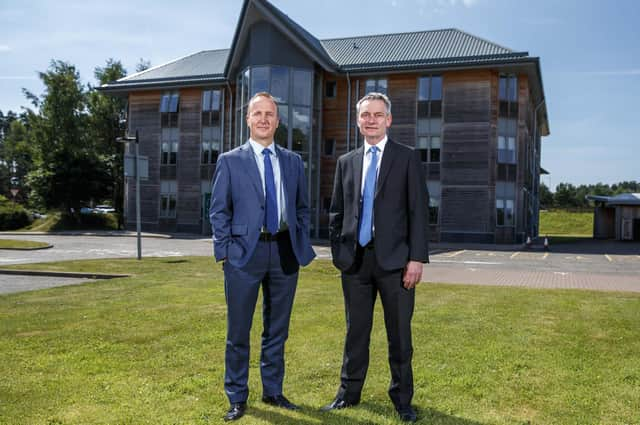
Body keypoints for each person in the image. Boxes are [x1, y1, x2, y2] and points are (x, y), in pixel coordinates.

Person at [210, 92, 316, 421]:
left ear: (278, 121)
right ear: (248, 119)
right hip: (244, 254)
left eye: (270, 114)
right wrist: (227, 250)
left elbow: (301, 207)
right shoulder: (230, 160)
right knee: (238, 331)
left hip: (284, 251)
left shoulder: (293, 161)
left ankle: (273, 391)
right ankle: (237, 397)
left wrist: (300, 234)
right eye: (257, 113)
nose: (264, 119)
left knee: (277, 330)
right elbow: (218, 211)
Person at [324, 92, 429, 422]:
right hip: (355, 263)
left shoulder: (407, 158)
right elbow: (337, 212)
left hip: (396, 263)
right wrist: (339, 253)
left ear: (389, 120)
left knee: (399, 335)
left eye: (377, 114)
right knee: (356, 331)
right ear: (358, 121)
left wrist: (416, 259)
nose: (371, 119)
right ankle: (348, 394)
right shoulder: (347, 162)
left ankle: (402, 400)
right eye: (365, 115)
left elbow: (418, 212)